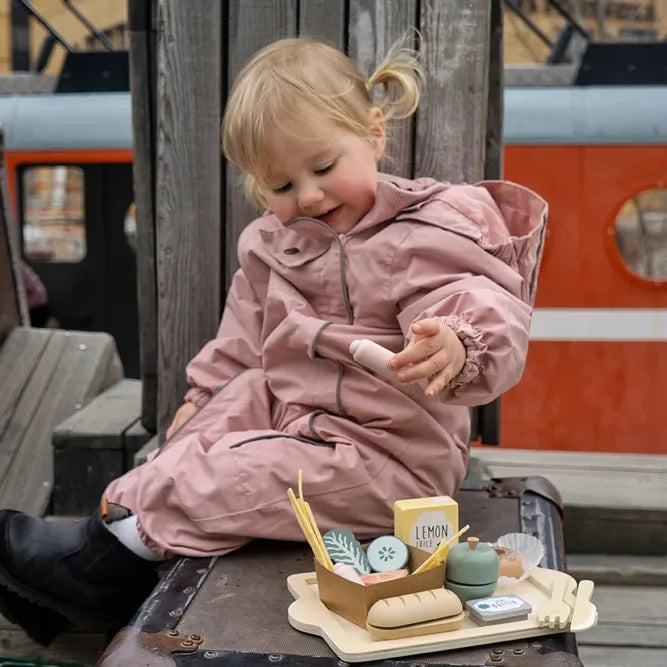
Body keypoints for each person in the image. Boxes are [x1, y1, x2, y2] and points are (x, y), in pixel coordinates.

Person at [0, 37, 547, 645]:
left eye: (322, 168)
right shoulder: (270, 247)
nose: (307, 196)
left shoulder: (419, 233)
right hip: (298, 425)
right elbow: (240, 342)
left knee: (243, 472)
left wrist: (458, 342)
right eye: (281, 186)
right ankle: (105, 554)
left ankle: (100, 570)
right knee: (226, 406)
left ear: (372, 134)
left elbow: (479, 298)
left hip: (387, 462)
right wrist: (201, 403)